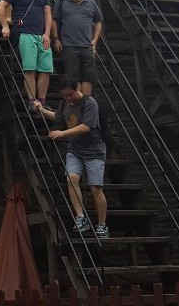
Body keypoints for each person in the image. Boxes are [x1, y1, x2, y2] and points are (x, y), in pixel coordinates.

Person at [34, 78, 109, 238]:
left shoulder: (90, 103)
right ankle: (81, 217)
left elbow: (86, 126)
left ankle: (102, 224)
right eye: (65, 96)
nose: (68, 98)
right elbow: (58, 117)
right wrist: (41, 110)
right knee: (71, 178)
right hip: (75, 150)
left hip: (94, 151)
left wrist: (62, 133)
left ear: (77, 88)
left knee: (95, 188)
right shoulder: (65, 103)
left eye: (70, 94)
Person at [0, 0, 53, 111]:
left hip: (41, 34)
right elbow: (0, 6)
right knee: (30, 68)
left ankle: (42, 100)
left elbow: (48, 14)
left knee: (46, 68)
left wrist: (47, 33)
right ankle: (32, 100)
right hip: (25, 32)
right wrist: (5, 26)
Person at [51, 0, 103, 97]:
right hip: (69, 46)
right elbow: (54, 20)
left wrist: (95, 40)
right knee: (73, 77)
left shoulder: (91, 3)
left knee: (89, 76)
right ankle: (76, 100)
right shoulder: (62, 1)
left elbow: (98, 21)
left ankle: (86, 100)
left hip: (87, 46)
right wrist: (56, 38)